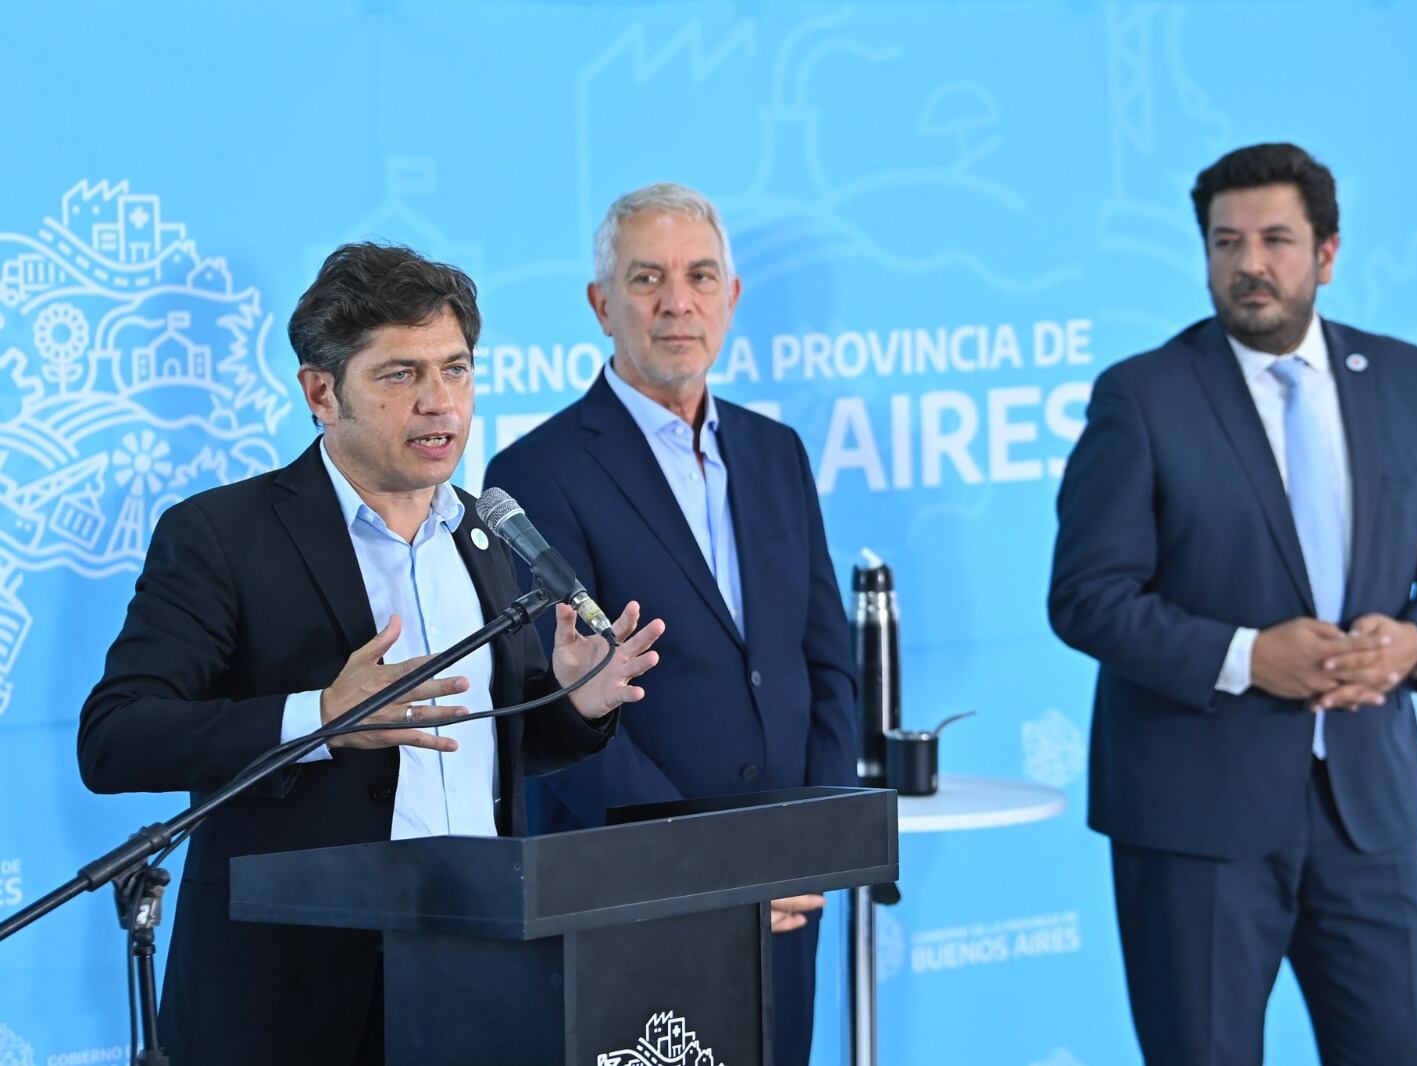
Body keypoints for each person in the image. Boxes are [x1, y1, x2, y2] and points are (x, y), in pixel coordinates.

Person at [77, 242, 664, 1066]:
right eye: (400, 376)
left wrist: (573, 702)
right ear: (322, 392)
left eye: (456, 370)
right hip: (294, 995)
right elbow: (115, 736)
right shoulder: (223, 536)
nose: (440, 404)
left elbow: (478, 751)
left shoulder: (485, 532)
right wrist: (318, 718)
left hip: (482, 964)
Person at [1048, 144, 1417, 1065]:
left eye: (1275, 240)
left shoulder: (1411, 382)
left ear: (1326, 254)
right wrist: (1251, 656)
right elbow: (1085, 597)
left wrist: (1414, 640)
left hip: (1366, 815)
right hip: (1196, 822)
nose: (1249, 263)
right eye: (1227, 241)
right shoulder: (1141, 397)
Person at [483, 182, 857, 1066]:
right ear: (600, 304)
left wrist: (812, 848)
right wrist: (713, 870)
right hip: (634, 892)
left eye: (700, 276)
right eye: (647, 278)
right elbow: (559, 709)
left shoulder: (777, 452)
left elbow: (823, 666)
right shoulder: (539, 469)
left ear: (731, 297)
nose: (676, 301)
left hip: (782, 895)